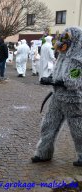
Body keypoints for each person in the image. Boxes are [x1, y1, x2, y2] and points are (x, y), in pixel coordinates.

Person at [31, 27, 82, 166]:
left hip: (72, 99)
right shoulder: (62, 56)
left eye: (67, 40)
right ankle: (43, 153)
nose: (63, 44)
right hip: (57, 96)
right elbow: (56, 72)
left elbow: (73, 80)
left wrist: (58, 81)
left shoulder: (78, 59)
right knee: (48, 125)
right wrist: (49, 78)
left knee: (78, 129)